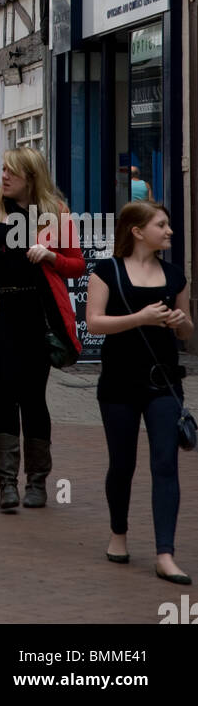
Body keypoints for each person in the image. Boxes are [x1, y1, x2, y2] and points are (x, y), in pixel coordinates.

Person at [0, 148, 85, 510]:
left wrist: (52, 256)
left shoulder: (55, 213)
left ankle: (37, 481)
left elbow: (77, 266)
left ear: (32, 177)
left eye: (13, 172)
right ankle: (7, 483)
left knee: (34, 396)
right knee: (4, 392)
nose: (4, 176)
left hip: (39, 314)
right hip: (0, 312)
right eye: (3, 169)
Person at [86, 201, 193, 583]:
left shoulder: (175, 275)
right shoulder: (107, 271)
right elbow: (95, 323)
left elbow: (186, 332)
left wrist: (180, 323)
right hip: (118, 384)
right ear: (136, 231)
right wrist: (141, 318)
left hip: (164, 382)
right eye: (161, 225)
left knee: (165, 464)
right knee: (122, 464)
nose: (169, 231)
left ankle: (166, 553)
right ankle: (119, 534)